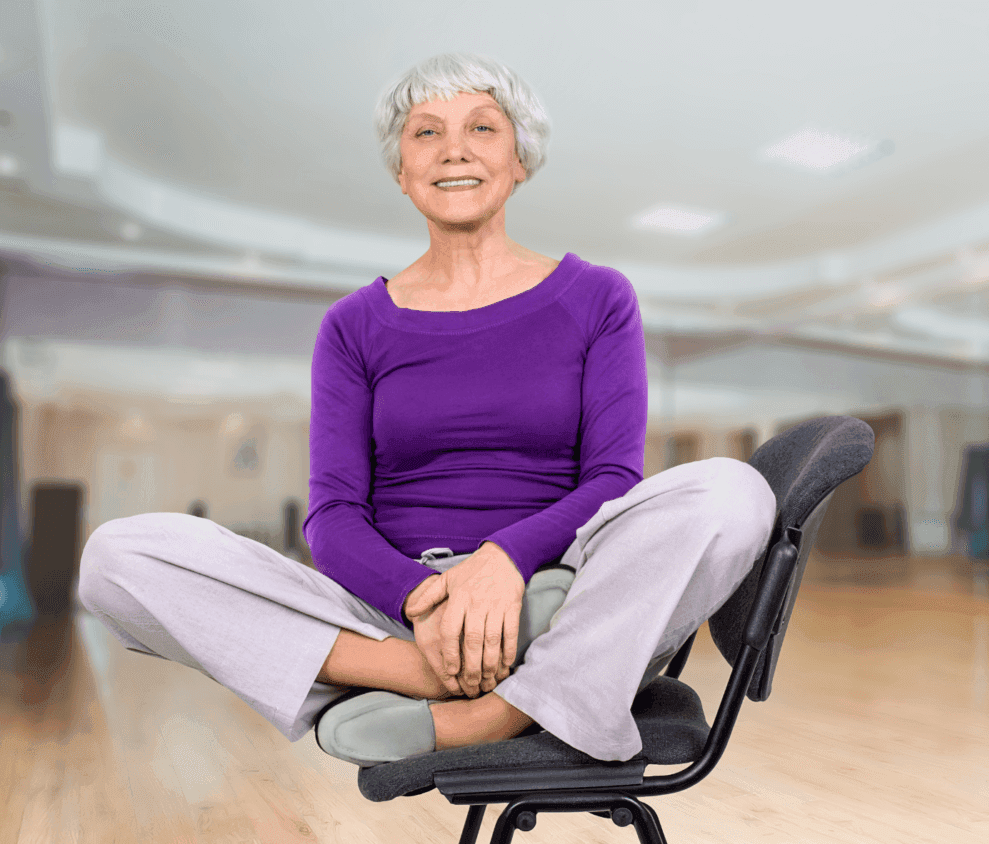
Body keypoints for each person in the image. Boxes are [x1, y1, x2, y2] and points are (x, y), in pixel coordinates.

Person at [78, 53, 776, 768]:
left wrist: (503, 562)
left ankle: (496, 711)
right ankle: (435, 677)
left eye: (482, 127)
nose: (455, 149)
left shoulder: (599, 297)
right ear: (402, 172)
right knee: (115, 559)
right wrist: (426, 603)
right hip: (396, 612)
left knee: (736, 491)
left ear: (520, 160)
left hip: (560, 593)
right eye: (426, 133)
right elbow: (333, 515)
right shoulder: (353, 325)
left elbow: (611, 480)